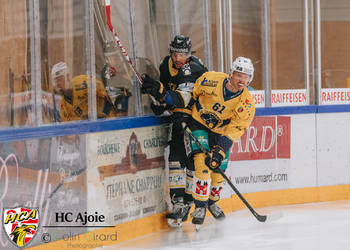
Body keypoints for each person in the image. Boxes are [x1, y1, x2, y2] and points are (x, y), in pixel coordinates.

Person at [140, 35, 208, 226]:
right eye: (176, 53)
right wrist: (159, 100)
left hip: (197, 119)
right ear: (171, 52)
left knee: (191, 160)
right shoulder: (165, 65)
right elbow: (167, 95)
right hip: (180, 117)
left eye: (183, 54)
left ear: (189, 54)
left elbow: (183, 98)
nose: (179, 58)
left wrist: (160, 92)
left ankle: (189, 200)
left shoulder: (193, 67)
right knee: (176, 158)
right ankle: (179, 203)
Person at [183, 56, 256, 228]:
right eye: (239, 75)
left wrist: (221, 149)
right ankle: (200, 206)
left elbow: (237, 128)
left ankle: (212, 202)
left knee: (218, 170)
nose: (242, 80)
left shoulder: (246, 103)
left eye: (246, 77)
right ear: (231, 73)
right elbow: (193, 94)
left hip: (221, 132)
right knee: (202, 163)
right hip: (199, 123)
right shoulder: (211, 79)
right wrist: (184, 113)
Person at [51, 62, 130, 122]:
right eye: (55, 81)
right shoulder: (63, 106)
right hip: (92, 134)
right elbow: (70, 132)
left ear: (67, 77)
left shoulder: (82, 81)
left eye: (59, 79)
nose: (57, 84)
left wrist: (99, 112)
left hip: (109, 123)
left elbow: (105, 92)